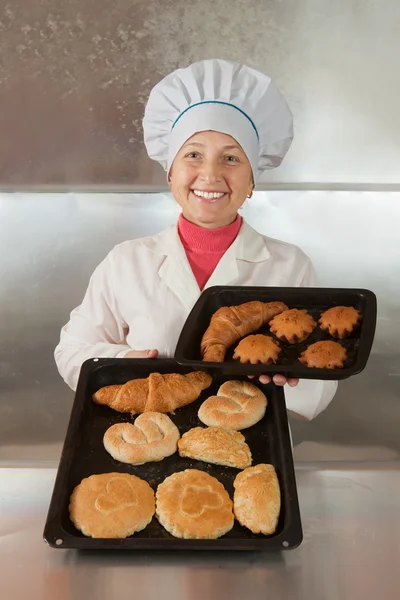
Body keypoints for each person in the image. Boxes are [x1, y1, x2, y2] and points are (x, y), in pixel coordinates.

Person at [55, 59, 337, 421]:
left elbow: (323, 375)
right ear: (171, 171)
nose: (211, 174)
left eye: (231, 158)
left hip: (251, 452)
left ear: (252, 181)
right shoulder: (126, 261)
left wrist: (289, 379)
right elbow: (71, 351)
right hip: (146, 443)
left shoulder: (290, 265)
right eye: (193, 155)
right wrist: (126, 363)